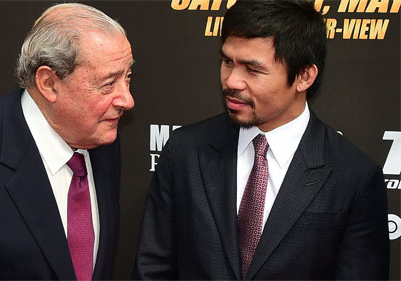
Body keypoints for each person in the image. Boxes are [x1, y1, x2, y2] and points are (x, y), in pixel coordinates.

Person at [132, 0, 389, 279]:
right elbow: (152, 269)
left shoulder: (353, 175)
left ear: (304, 76)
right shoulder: (185, 152)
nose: (231, 81)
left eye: (252, 70)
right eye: (227, 62)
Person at [0, 3, 134, 280]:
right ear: (49, 83)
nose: (127, 100)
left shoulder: (102, 136)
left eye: (128, 77)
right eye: (108, 84)